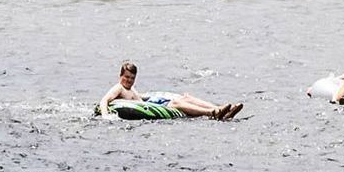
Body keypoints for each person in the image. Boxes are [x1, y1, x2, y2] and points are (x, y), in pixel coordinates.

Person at [100, 61, 242, 119]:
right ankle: (213, 113)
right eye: (126, 77)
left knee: (185, 97)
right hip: (152, 108)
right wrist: (106, 116)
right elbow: (104, 100)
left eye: (132, 78)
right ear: (120, 76)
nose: (129, 80)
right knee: (175, 104)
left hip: (151, 103)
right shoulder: (119, 88)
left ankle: (221, 108)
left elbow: (140, 98)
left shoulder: (131, 89)